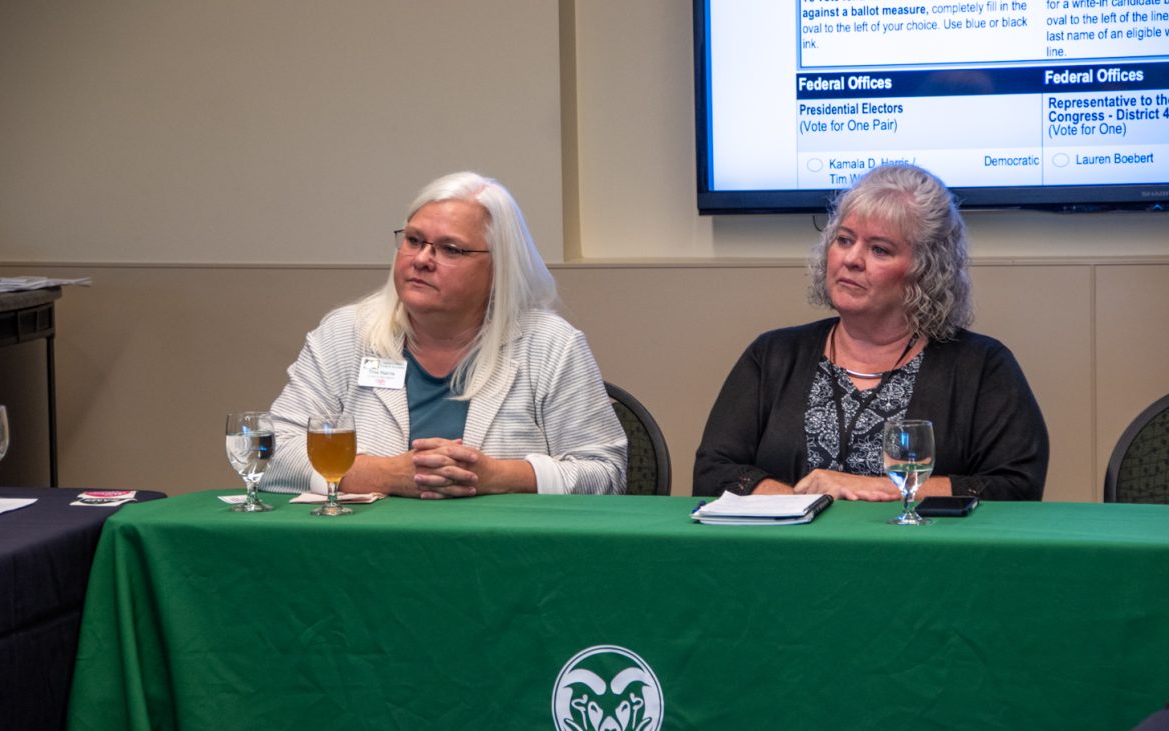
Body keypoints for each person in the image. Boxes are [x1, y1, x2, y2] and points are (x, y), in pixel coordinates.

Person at [693, 164, 1049, 501]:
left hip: (924, 561)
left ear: (925, 271)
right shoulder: (773, 355)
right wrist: (803, 502)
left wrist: (879, 489)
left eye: (879, 249)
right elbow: (713, 471)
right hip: (788, 558)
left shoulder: (982, 366)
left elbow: (1015, 486)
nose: (852, 259)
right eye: (845, 240)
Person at [265, 171, 626, 498]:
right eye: (414, 240)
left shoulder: (551, 345)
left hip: (505, 559)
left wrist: (497, 476)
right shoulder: (344, 335)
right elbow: (273, 452)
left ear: (500, 267)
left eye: (450, 249)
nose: (422, 259)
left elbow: (606, 473)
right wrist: (384, 475)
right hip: (368, 555)